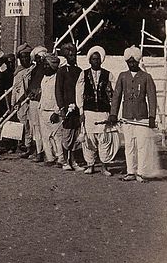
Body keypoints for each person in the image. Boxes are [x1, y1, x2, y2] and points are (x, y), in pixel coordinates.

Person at [109, 46, 159, 183]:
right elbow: (116, 96)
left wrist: (152, 117)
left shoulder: (146, 77)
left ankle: (141, 173)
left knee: (142, 145)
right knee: (129, 145)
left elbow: (152, 98)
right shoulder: (122, 76)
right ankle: (130, 171)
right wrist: (113, 114)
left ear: (138, 61)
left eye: (134, 62)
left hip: (142, 117)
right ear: (126, 62)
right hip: (127, 117)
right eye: (129, 62)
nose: (132, 64)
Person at [76, 46, 116, 175]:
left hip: (104, 111)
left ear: (101, 60)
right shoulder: (84, 74)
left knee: (105, 138)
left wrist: (113, 112)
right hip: (89, 112)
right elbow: (79, 93)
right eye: (93, 59)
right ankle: (90, 165)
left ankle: (104, 167)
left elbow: (114, 94)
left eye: (98, 59)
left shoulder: (108, 74)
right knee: (89, 139)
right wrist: (81, 111)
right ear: (89, 60)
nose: (96, 61)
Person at [55, 42, 82, 170]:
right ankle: (65, 161)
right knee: (66, 135)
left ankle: (74, 160)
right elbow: (58, 91)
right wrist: (62, 107)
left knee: (76, 134)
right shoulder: (61, 72)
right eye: (71, 55)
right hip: (66, 108)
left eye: (74, 55)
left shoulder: (79, 71)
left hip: (77, 108)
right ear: (66, 56)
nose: (73, 57)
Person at [10, 45, 36, 157]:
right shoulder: (18, 73)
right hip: (21, 102)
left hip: (33, 101)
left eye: (27, 57)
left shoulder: (34, 70)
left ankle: (33, 147)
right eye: (22, 57)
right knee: (23, 123)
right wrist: (13, 103)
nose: (25, 59)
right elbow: (14, 89)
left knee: (33, 124)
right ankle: (24, 145)